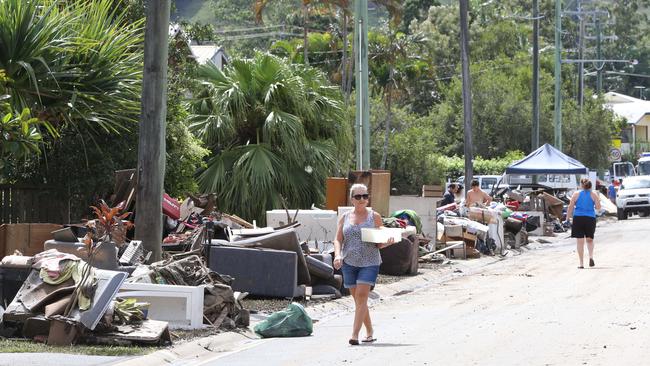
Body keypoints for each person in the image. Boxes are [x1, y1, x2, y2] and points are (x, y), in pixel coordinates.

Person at [333, 184, 394, 345]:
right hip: (349, 262)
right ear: (352, 199)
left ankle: (354, 335)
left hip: (370, 261)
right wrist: (337, 255)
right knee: (359, 300)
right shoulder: (344, 217)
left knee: (361, 296)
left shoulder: (374, 217)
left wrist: (387, 241)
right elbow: (338, 239)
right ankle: (369, 331)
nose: (362, 199)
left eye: (365, 196)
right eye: (358, 196)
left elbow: (380, 241)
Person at [566, 178, 602, 269]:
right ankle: (591, 257)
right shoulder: (593, 194)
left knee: (580, 241)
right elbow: (598, 208)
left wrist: (567, 218)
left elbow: (570, 207)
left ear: (581, 185)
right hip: (590, 218)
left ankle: (581, 263)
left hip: (578, 218)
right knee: (589, 240)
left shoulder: (576, 194)